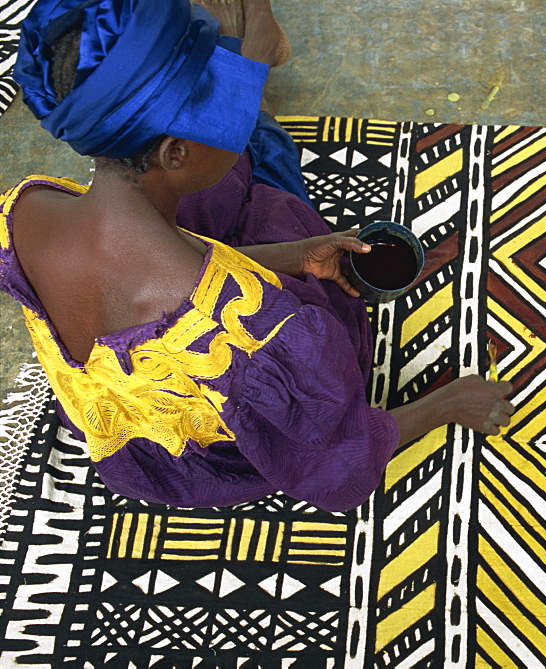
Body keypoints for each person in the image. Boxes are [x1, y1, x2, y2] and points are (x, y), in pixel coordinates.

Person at [0, 0, 513, 512]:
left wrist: (294, 256)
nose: (232, 104)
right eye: (224, 98)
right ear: (175, 151)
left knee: (230, 184)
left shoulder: (26, 208)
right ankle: (260, 111)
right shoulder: (262, 335)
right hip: (202, 458)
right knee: (269, 195)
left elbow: (171, 272)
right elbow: (329, 457)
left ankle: (257, 102)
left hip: (122, 427)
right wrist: (447, 403)